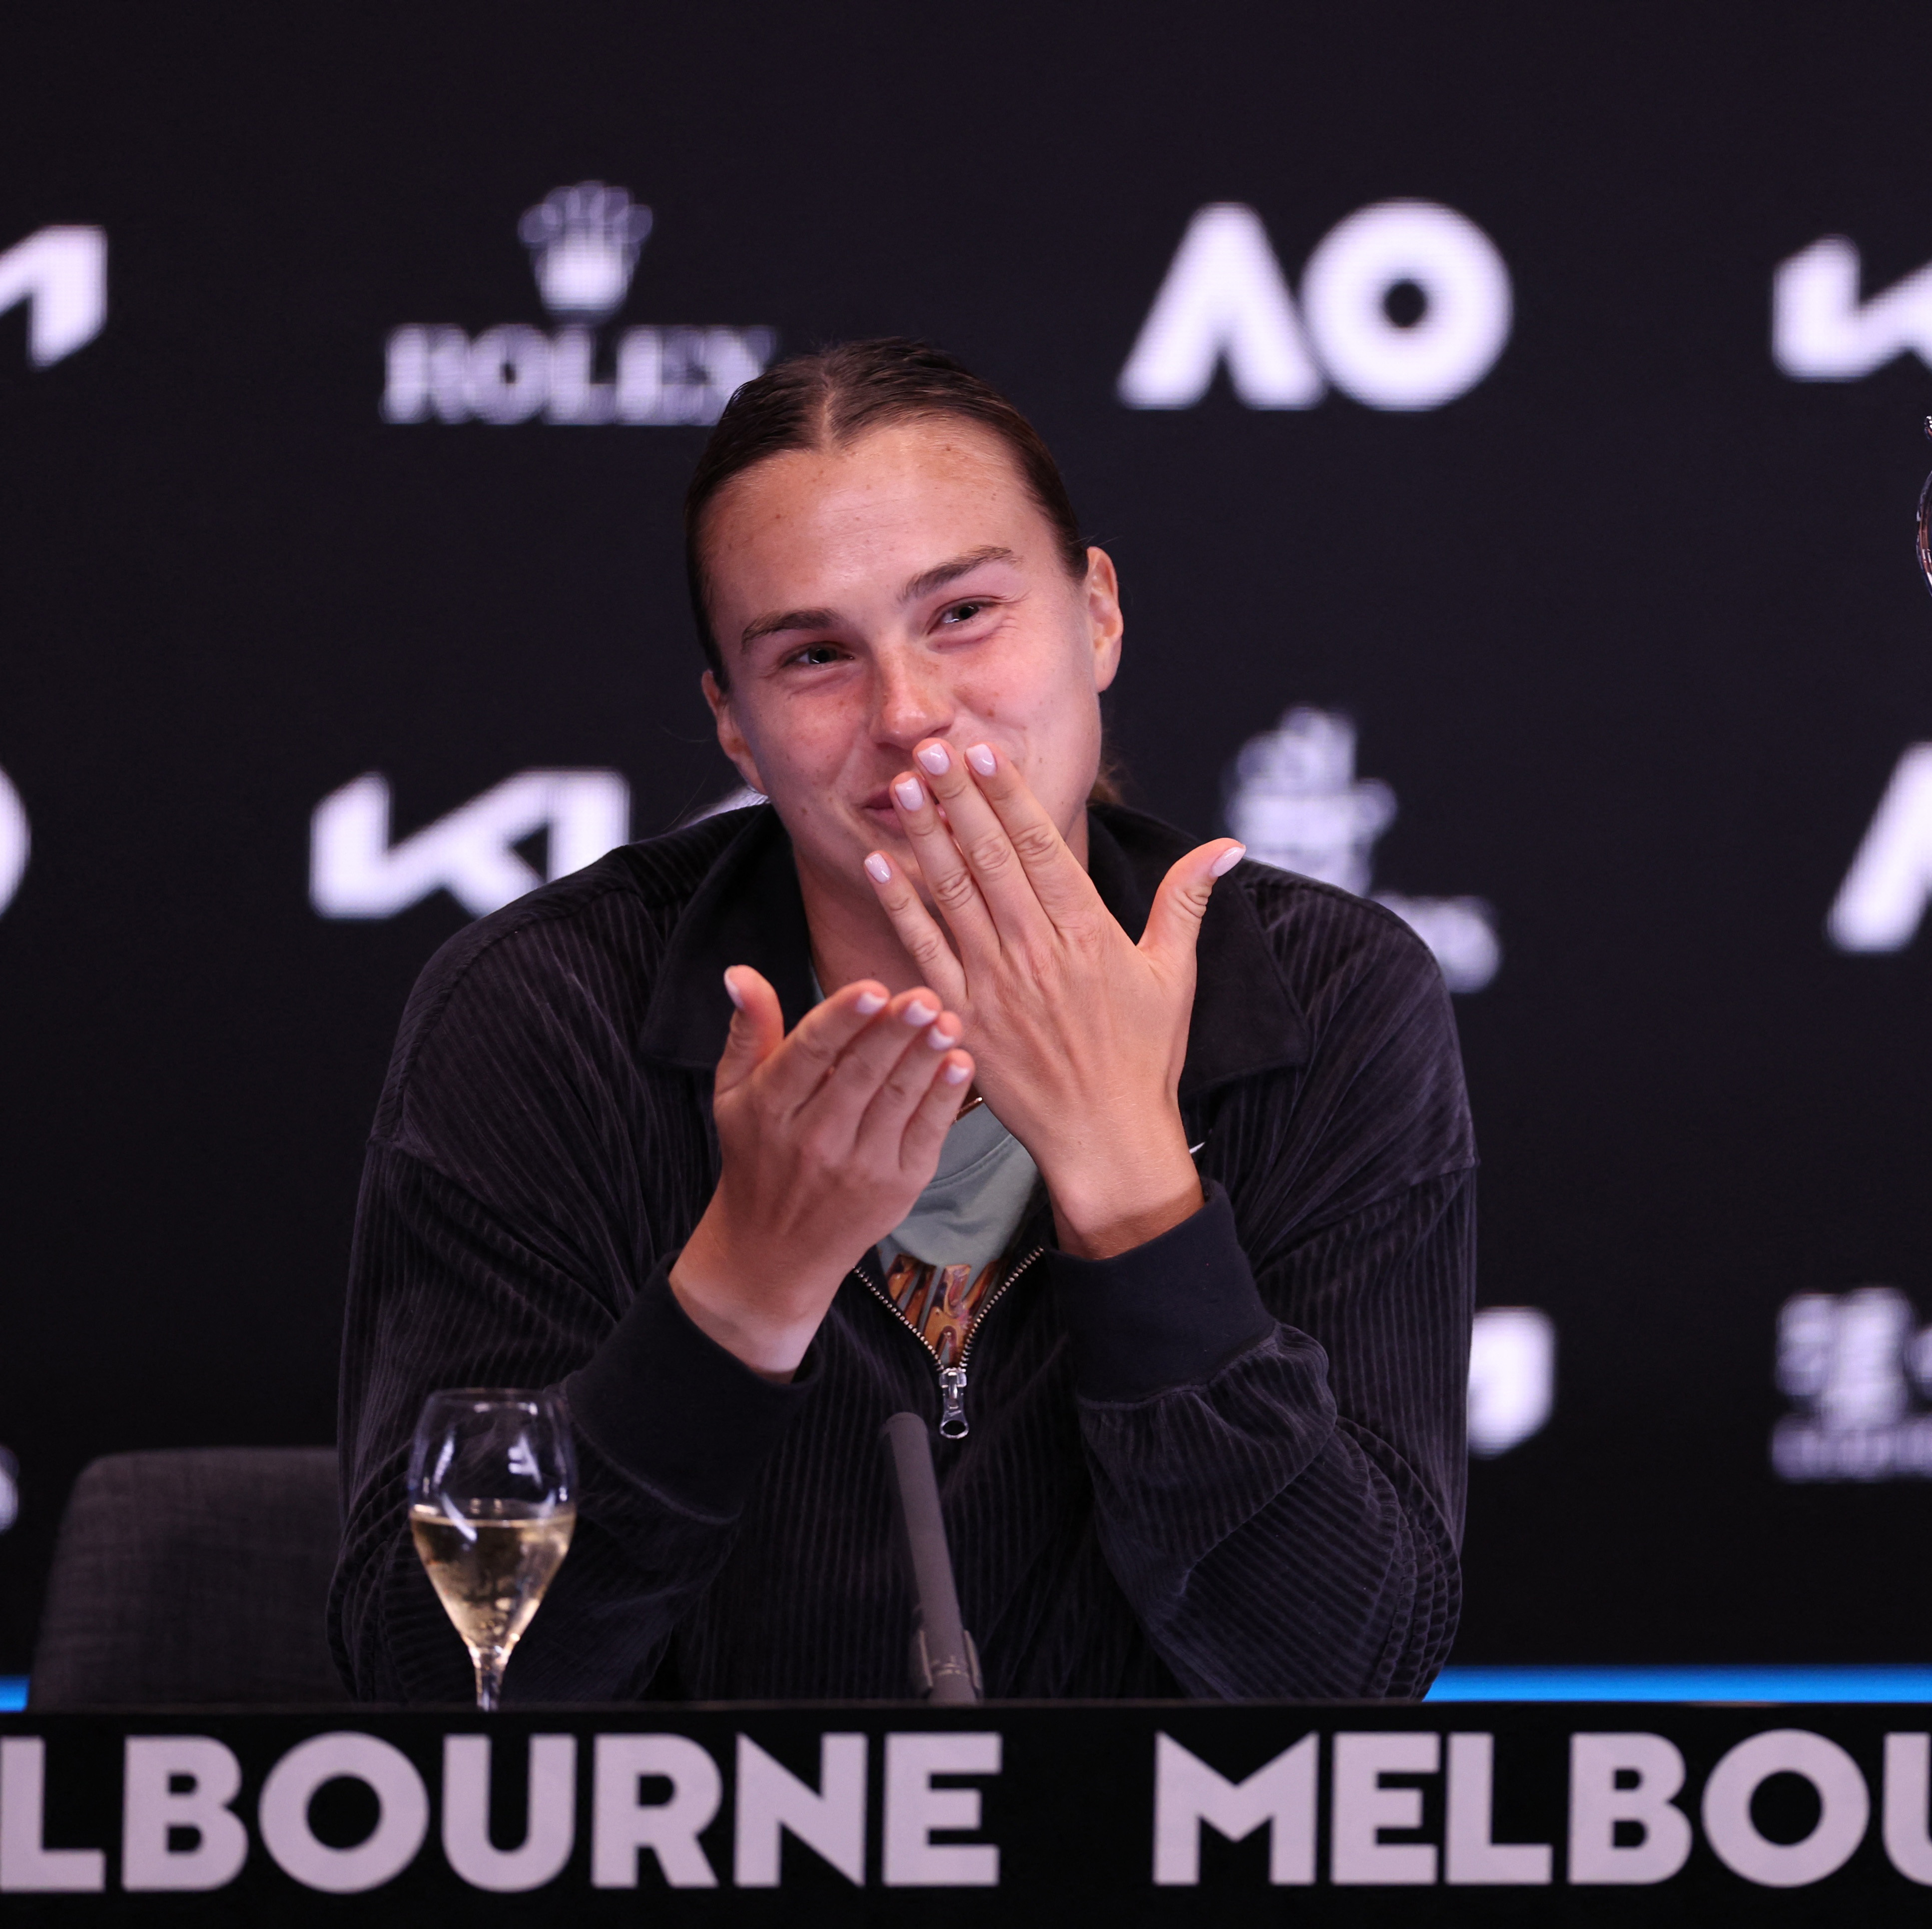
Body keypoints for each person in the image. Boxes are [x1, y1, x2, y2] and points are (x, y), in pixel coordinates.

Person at [329, 339, 1474, 1700]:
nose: (911, 716)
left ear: (1097, 613)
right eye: (815, 654)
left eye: (963, 614)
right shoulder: (545, 1012)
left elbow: (1341, 1678)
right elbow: (435, 1682)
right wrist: (742, 1289)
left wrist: (1132, 1183)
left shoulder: (1327, 996)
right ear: (737, 727)